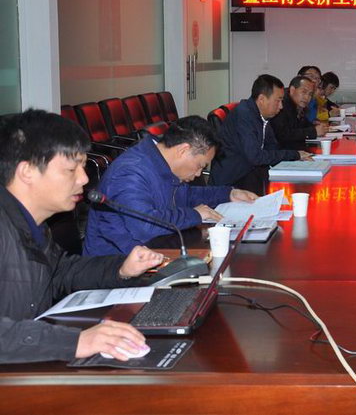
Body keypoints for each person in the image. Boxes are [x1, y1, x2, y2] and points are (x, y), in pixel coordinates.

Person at [0, 110, 164, 364]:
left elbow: (59, 272)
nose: (84, 178)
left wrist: (121, 268)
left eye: (83, 166)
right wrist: (76, 342)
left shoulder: (33, 223)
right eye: (71, 169)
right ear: (27, 171)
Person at [84, 116, 258, 256]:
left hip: (155, 251)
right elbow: (145, 226)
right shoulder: (130, 172)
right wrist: (195, 214)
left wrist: (228, 194)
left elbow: (187, 196)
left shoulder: (162, 162)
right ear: (183, 150)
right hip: (117, 267)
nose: (199, 174)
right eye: (200, 165)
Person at [210, 75, 307, 195]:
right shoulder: (245, 115)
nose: (281, 106)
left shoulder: (261, 115)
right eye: (278, 100)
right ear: (262, 99)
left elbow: (272, 146)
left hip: (249, 175)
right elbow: (255, 157)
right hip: (232, 183)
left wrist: (294, 158)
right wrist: (293, 155)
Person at [271, 75, 329, 151]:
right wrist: (313, 131)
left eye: (310, 94)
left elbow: (303, 125)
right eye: (304, 92)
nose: (307, 97)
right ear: (292, 90)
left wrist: (317, 127)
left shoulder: (298, 104)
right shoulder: (282, 104)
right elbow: (282, 134)